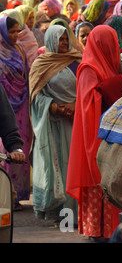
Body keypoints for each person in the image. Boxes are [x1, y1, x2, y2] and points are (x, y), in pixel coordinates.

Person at [66, 25, 122, 240]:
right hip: (96, 138)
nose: (116, 48)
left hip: (113, 137)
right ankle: (98, 231)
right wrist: (109, 89)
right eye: (112, 44)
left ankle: (112, 230)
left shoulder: (111, 67)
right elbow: (88, 108)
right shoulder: (88, 69)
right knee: (98, 183)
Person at [29, 25, 82, 221]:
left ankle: (76, 214)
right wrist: (56, 108)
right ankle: (62, 214)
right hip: (54, 124)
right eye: (61, 39)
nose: (65, 43)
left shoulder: (77, 60)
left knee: (74, 166)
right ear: (51, 40)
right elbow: (35, 97)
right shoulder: (40, 65)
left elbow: (86, 87)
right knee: (59, 165)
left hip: (76, 122)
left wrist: (77, 105)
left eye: (67, 39)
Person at [0, 16, 32, 211]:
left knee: (15, 149)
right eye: (10, 31)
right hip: (8, 105)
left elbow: (26, 75)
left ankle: (15, 195)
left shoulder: (20, 50)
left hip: (18, 105)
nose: (14, 35)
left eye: (16, 31)